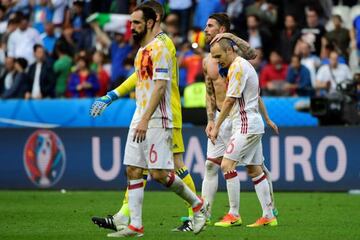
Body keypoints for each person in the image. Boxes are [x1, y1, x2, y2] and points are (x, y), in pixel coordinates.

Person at [90, 5, 208, 237]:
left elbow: (161, 84)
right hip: (141, 115)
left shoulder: (164, 45)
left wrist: (144, 117)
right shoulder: (143, 49)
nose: (131, 27)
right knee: (134, 169)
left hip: (161, 116)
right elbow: (140, 75)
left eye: (136, 22)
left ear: (153, 21)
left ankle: (197, 207)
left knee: (165, 170)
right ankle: (133, 222)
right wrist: (112, 95)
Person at [202, 13, 278, 227]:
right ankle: (269, 214)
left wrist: (215, 127)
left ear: (228, 49)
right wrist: (267, 118)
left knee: (227, 164)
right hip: (246, 121)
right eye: (214, 58)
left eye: (218, 57)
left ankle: (234, 214)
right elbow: (253, 95)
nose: (216, 62)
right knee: (254, 169)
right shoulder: (234, 65)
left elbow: (229, 100)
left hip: (243, 123)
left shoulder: (237, 65)